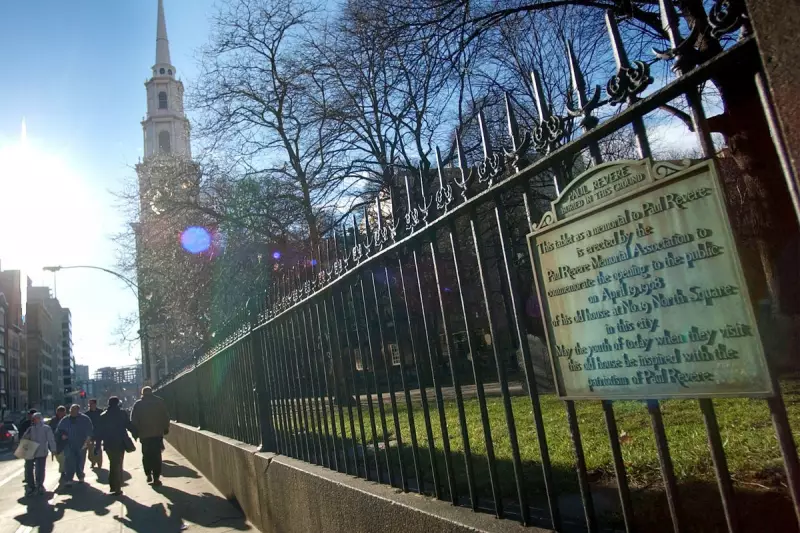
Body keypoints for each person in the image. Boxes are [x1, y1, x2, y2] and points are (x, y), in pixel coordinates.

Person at [130, 386, 169, 486]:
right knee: (157, 456)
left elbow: (134, 420)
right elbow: (165, 416)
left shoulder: (138, 404)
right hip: (157, 434)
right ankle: (156, 478)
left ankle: (148, 474)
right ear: (151, 392)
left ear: (142, 394)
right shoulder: (159, 402)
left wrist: (135, 433)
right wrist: (165, 428)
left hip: (144, 435)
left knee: (146, 455)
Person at [94, 396, 132, 496]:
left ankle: (113, 486)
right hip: (120, 442)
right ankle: (117, 487)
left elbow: (99, 432)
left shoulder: (103, 415)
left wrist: (97, 446)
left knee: (113, 463)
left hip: (108, 443)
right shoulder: (122, 413)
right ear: (118, 403)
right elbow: (128, 425)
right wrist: (137, 433)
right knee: (118, 464)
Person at [55, 404, 93, 487]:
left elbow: (89, 430)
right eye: (71, 410)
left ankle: (80, 476)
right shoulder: (65, 420)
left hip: (81, 444)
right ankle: (69, 479)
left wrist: (87, 441)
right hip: (68, 444)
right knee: (69, 461)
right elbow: (59, 430)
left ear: (78, 411)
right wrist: (62, 435)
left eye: (74, 410)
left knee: (80, 461)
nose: (72, 412)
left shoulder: (85, 419)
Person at [22, 413, 57, 496]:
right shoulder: (30, 429)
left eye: (36, 418)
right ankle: (31, 486)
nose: (34, 420)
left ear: (40, 419)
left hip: (41, 451)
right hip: (31, 451)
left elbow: (51, 439)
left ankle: (40, 484)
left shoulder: (46, 428)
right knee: (28, 469)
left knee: (40, 469)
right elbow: (24, 438)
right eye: (33, 418)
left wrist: (53, 449)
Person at [47, 406, 67, 476]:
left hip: (65, 442)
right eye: (59, 412)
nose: (61, 414)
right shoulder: (53, 420)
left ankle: (63, 471)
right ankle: (63, 469)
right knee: (59, 457)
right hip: (56, 442)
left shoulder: (67, 419)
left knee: (63, 458)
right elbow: (50, 431)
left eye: (62, 412)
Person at [85, 399, 104, 469]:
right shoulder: (86, 414)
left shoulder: (101, 412)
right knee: (90, 452)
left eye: (92, 404)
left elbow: (104, 423)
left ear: (95, 404)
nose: (90, 405)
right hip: (90, 435)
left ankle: (99, 463)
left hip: (99, 433)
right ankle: (93, 461)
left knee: (98, 449)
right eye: (90, 404)